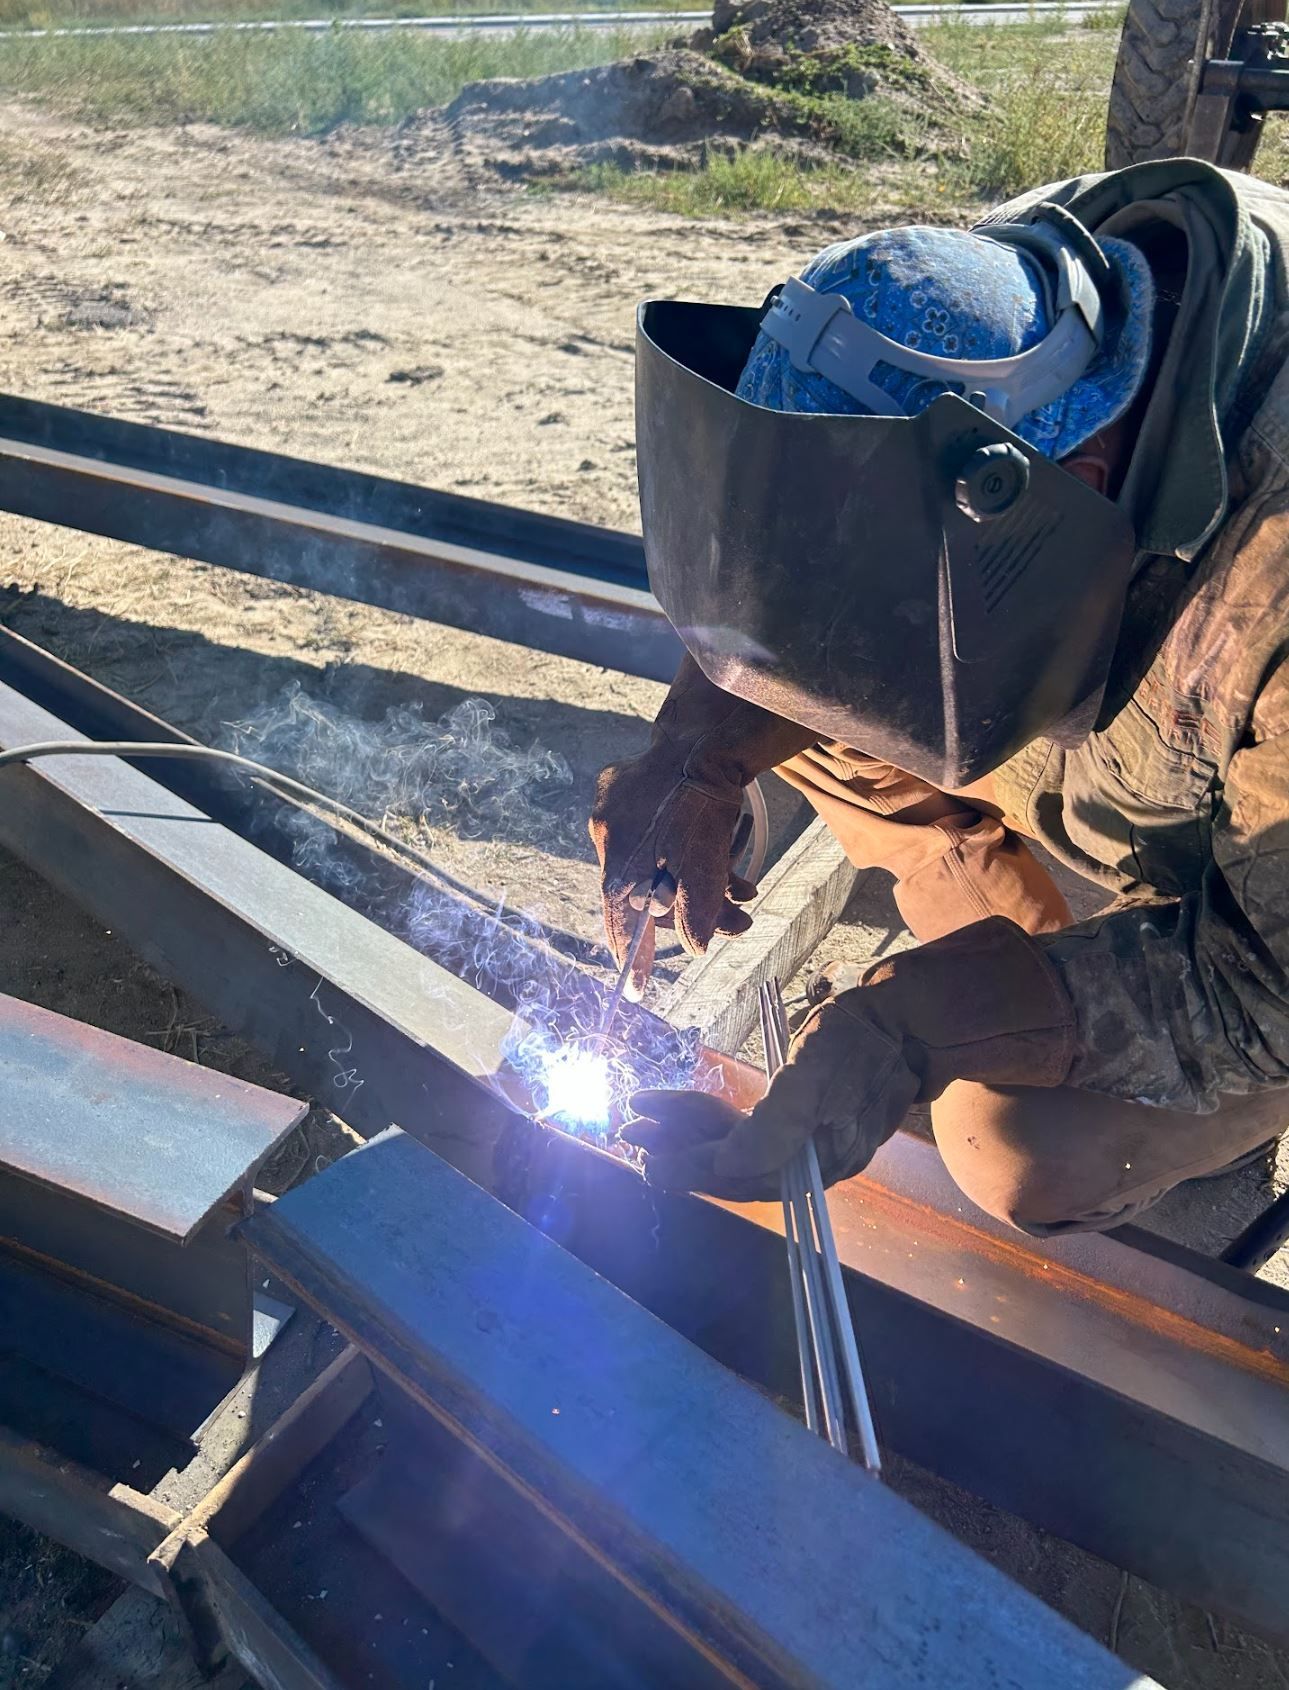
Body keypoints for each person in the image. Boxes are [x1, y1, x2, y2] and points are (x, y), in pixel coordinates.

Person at [589, 158, 1289, 1236]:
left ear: (1072, 495)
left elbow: (1265, 983)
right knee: (812, 698)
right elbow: (808, 574)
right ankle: (1008, 959)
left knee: (1018, 1151)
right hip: (1129, 745)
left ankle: (1187, 1117)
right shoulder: (1005, 314)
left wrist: (917, 1031)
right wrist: (701, 747)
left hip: (1264, 920)